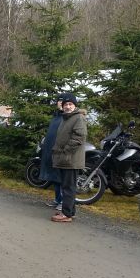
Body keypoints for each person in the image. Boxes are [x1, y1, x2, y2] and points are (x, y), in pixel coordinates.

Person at [51, 93, 87, 222]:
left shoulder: (78, 118)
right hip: (66, 158)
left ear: (75, 105)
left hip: (71, 159)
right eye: (65, 104)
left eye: (70, 104)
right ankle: (70, 211)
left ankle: (66, 214)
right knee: (68, 186)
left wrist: (65, 150)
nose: (67, 106)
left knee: (68, 187)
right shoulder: (66, 118)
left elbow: (79, 137)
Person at [40, 94, 68, 212]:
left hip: (61, 152)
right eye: (59, 101)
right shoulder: (56, 116)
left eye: (62, 101)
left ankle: (63, 202)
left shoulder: (67, 117)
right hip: (51, 150)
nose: (60, 103)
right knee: (54, 177)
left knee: (61, 178)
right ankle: (57, 199)